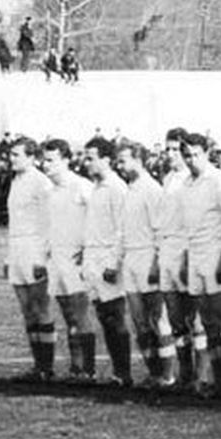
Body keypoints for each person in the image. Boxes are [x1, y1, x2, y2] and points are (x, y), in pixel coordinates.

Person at [179, 132, 221, 399]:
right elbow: (188, 227)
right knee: (207, 321)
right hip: (196, 254)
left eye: (196, 154)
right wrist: (186, 260)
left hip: (215, 253)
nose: (191, 160)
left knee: (220, 319)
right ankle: (218, 379)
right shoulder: (186, 184)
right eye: (187, 155)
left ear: (206, 154)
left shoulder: (218, 180)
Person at [116, 141, 173, 388]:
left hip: (148, 257)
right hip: (131, 259)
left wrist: (156, 264)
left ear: (138, 160)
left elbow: (160, 231)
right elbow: (123, 231)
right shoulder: (129, 190)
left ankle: (168, 375)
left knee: (158, 319)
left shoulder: (152, 189)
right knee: (139, 321)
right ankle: (153, 373)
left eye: (123, 161)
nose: (119, 166)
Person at [41, 138, 97, 382]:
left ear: (66, 160)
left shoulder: (82, 186)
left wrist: (88, 248)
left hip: (77, 260)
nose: (45, 165)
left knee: (81, 315)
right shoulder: (50, 191)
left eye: (51, 160)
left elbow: (99, 218)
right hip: (57, 259)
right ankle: (76, 367)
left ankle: (89, 370)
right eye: (44, 160)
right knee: (68, 316)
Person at [4, 137, 57, 381]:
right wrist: (9, 256)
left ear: (31, 157)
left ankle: (47, 367)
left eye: (16, 154)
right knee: (27, 310)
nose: (11, 158)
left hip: (35, 248)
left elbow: (49, 222)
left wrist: (42, 258)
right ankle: (38, 366)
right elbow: (14, 222)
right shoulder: (15, 181)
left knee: (40, 308)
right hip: (17, 248)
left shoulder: (41, 183)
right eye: (11, 154)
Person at [81, 137, 133, 386]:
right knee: (104, 316)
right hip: (93, 259)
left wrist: (113, 263)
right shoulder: (95, 187)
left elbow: (122, 229)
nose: (86, 162)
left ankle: (123, 373)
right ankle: (118, 373)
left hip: (108, 260)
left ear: (106, 159)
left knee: (115, 316)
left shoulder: (116, 188)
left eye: (91, 158)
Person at [158, 128, 206, 392]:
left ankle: (201, 376)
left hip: (187, 251)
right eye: (167, 149)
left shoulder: (192, 180)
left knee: (196, 318)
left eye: (176, 149)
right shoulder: (168, 179)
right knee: (176, 320)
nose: (171, 154)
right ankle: (185, 374)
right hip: (167, 252)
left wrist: (187, 256)